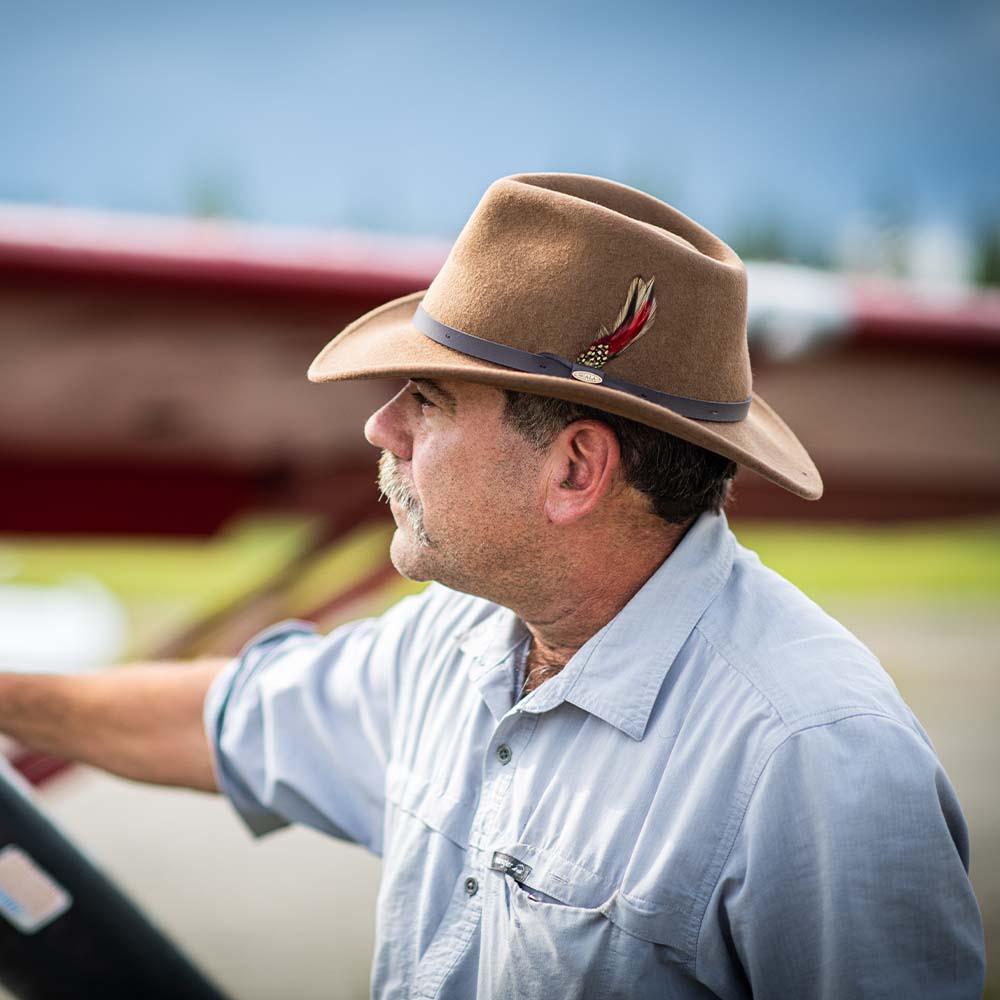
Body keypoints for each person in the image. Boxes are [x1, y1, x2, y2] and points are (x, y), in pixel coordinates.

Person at [0, 174, 985, 998]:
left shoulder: (819, 760)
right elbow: (226, 716)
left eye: (426, 397)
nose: (378, 429)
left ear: (572, 471)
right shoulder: (461, 636)